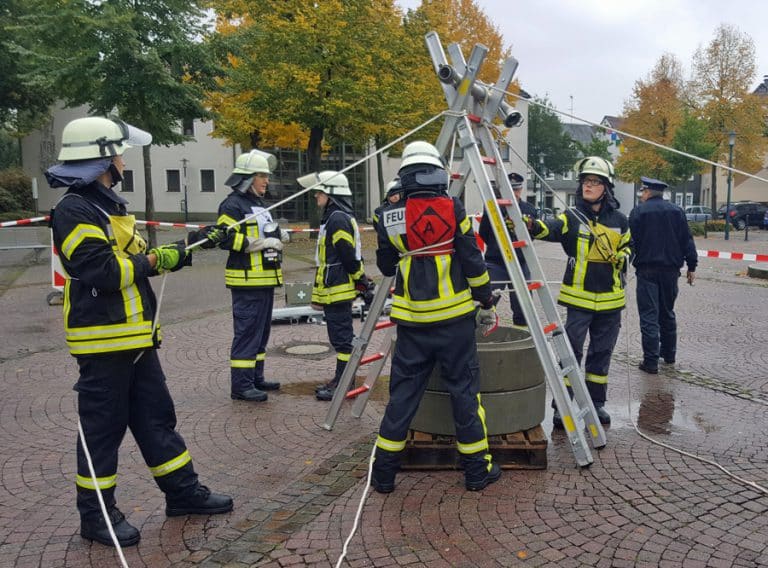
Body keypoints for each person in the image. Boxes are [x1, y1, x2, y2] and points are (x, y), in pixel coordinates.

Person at [46, 116, 232, 548]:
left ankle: (182, 493)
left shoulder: (106, 205)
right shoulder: (75, 210)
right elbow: (105, 271)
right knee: (102, 432)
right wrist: (156, 262)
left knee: (156, 418)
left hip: (135, 340)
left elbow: (140, 256)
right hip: (103, 343)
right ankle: (97, 515)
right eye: (119, 153)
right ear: (101, 158)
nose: (123, 160)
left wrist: (195, 243)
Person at [371, 140, 501, 493]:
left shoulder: (386, 216)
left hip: (412, 325)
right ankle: (477, 472)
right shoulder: (453, 208)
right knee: (465, 395)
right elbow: (472, 261)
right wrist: (485, 300)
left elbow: (386, 267)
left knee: (402, 398)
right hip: (455, 324)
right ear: (438, 173)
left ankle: (383, 475)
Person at [527, 156, 631, 427]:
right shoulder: (572, 217)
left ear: (606, 187)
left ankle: (596, 404)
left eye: (594, 181)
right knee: (570, 355)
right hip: (579, 301)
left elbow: (629, 247)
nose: (588, 186)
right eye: (585, 181)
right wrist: (531, 225)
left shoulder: (620, 220)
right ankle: (562, 407)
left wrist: (623, 257)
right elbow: (549, 229)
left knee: (601, 355)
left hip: (611, 302)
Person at [215, 150, 288, 402]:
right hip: (246, 281)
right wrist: (260, 243)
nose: (266, 180)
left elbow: (264, 231)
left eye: (266, 176)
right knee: (247, 333)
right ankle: (241, 385)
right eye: (261, 175)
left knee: (260, 334)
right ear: (247, 177)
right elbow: (225, 238)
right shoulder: (232, 205)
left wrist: (277, 235)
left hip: (265, 280)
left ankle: (256, 377)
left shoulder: (259, 205)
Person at [299, 171, 374, 401]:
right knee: (340, 339)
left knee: (342, 340)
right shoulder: (334, 217)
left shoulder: (337, 218)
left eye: (320, 191)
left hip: (338, 290)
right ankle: (340, 380)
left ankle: (344, 385)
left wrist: (361, 279)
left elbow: (347, 254)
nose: (316, 196)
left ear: (331, 193)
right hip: (334, 289)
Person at [629, 176, 697, 374]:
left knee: (649, 316)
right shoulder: (677, 211)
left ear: (647, 192)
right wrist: (692, 266)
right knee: (667, 312)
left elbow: (630, 242)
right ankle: (669, 354)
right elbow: (687, 240)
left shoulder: (638, 212)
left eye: (642, 192)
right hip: (670, 272)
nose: (641, 196)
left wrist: (624, 264)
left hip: (647, 271)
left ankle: (650, 361)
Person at [478, 172, 538, 327]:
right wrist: (497, 246)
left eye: (516, 189)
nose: (514, 193)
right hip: (496, 262)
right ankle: (479, 331)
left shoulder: (529, 209)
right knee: (486, 301)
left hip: (520, 262)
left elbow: (532, 235)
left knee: (523, 307)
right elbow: (484, 231)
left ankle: (523, 334)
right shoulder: (493, 208)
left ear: (521, 190)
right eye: (510, 189)